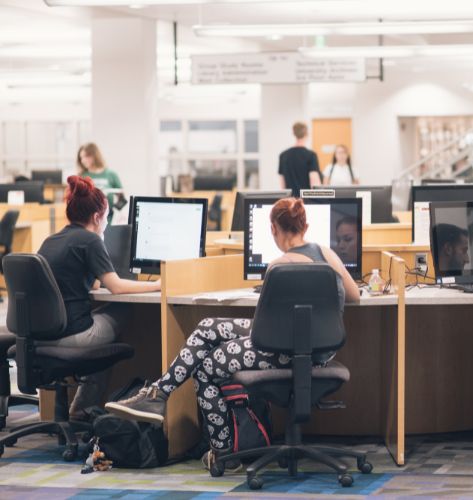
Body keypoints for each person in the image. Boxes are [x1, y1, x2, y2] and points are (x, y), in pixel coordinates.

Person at [104, 197, 360, 469]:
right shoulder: (327, 254)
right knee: (208, 326)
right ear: (305, 225)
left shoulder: (278, 267)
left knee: (205, 368)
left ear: (273, 229)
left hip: (284, 350)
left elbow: (266, 328)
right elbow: (354, 296)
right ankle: (159, 394)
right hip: (320, 349)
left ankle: (222, 451)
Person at [38, 175, 161, 421]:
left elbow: (90, 282)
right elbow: (115, 287)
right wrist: (158, 285)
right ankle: (84, 407)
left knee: (100, 318)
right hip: (71, 336)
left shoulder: (51, 240)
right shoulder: (90, 240)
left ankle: (83, 407)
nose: (106, 222)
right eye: (105, 217)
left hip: (40, 336)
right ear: (96, 217)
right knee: (122, 312)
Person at [77, 143, 123, 220]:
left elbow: (122, 199)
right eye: (81, 158)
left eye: (86, 156)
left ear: (94, 155)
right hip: (88, 221)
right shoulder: (81, 176)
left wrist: (113, 212)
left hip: (108, 221)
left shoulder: (111, 175)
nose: (83, 160)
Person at [278, 122, 321, 197]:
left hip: (290, 202)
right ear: (306, 134)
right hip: (305, 202)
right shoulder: (311, 155)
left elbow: (282, 185)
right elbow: (314, 183)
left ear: (294, 133)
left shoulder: (283, 155)